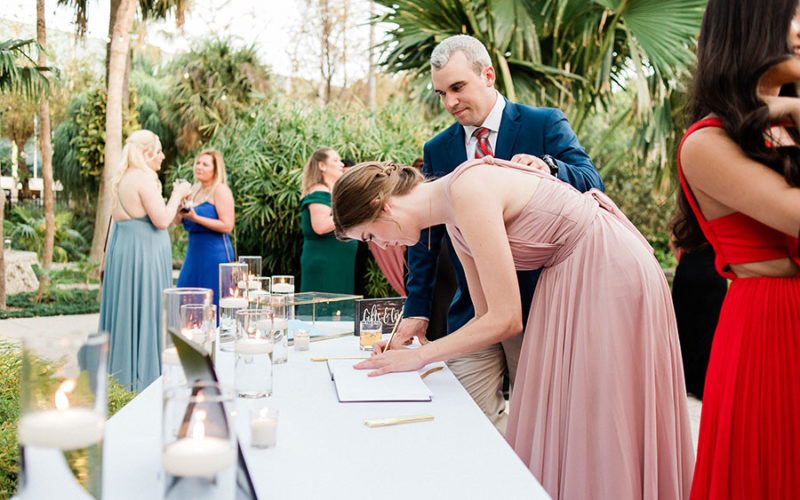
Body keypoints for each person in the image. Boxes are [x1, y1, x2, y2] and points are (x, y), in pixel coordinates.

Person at [332, 160, 694, 500]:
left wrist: (422, 356)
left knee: (604, 406)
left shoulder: (468, 190)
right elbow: (485, 317)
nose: (380, 246)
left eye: (369, 237)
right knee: (582, 413)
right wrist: (417, 357)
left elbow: (508, 319)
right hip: (572, 276)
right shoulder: (453, 221)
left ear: (384, 206)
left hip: (608, 270)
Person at [397, 34, 604, 431]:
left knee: (539, 425)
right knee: (465, 423)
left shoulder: (544, 123)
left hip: (540, 305)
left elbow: (593, 182)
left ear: (488, 75)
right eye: (441, 93)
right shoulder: (438, 148)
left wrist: (551, 167)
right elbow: (427, 240)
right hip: (471, 311)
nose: (450, 103)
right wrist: (418, 309)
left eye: (457, 88)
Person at [672, 0, 800, 497]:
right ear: (748, 25)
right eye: (790, 14)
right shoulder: (706, 143)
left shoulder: (785, 125)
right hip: (771, 328)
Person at [99, 130, 191, 392]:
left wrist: (177, 208)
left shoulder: (123, 178)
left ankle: (124, 377)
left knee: (128, 311)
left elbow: (156, 217)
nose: (162, 156)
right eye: (158, 151)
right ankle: (146, 380)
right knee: (148, 311)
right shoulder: (142, 178)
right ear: (145, 152)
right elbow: (161, 220)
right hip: (143, 259)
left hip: (128, 253)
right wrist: (179, 191)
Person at [175, 148, 235, 310]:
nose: (199, 167)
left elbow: (227, 225)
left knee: (213, 303)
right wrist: (178, 205)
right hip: (193, 255)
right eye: (198, 163)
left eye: (205, 164)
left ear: (215, 169)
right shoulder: (193, 190)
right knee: (185, 297)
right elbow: (177, 221)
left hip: (215, 256)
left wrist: (196, 218)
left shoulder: (220, 190)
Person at [299, 147, 358, 293]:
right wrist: (352, 210)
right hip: (326, 264)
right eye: (335, 160)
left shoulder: (332, 192)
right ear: (322, 165)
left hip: (339, 263)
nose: (341, 165)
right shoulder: (319, 191)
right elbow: (320, 226)